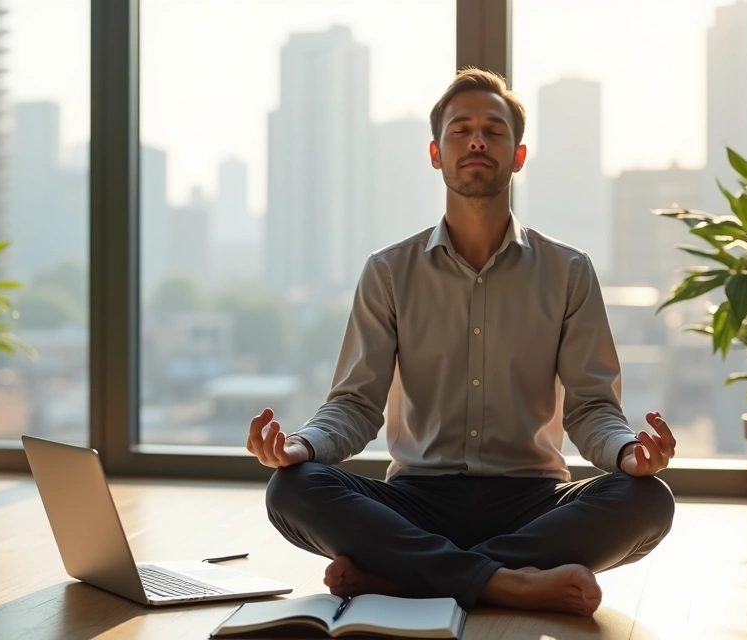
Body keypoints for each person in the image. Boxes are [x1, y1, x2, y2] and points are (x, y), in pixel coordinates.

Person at [249, 67, 676, 618]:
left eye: (494, 130)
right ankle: (508, 583)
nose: (477, 139)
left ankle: (408, 577)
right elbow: (354, 404)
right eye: (461, 129)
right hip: (416, 500)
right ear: (436, 154)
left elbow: (592, 407)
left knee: (646, 501)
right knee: (291, 489)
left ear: (518, 156)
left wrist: (626, 454)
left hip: (534, 500)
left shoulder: (568, 271)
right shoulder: (388, 271)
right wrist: (300, 447)